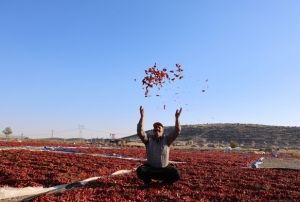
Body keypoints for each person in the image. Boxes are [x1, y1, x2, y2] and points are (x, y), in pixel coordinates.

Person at [136, 106, 182, 187]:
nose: (157, 129)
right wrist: (142, 117)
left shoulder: (167, 139)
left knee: (176, 173)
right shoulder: (148, 139)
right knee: (140, 170)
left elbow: (177, 131)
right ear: (153, 130)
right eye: (155, 128)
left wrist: (177, 118)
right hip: (151, 168)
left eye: (159, 127)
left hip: (164, 169)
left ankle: (165, 182)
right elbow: (140, 132)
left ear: (163, 131)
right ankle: (147, 182)